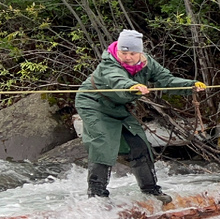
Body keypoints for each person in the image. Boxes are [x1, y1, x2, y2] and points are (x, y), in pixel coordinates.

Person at [75, 29, 206, 203]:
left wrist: (190, 86)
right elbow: (117, 80)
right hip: (93, 104)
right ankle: (97, 196)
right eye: (124, 52)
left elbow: (166, 80)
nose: (127, 57)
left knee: (140, 144)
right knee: (103, 143)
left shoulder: (147, 64)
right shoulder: (109, 64)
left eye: (132, 53)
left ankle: (151, 191)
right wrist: (132, 87)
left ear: (140, 52)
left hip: (120, 107)